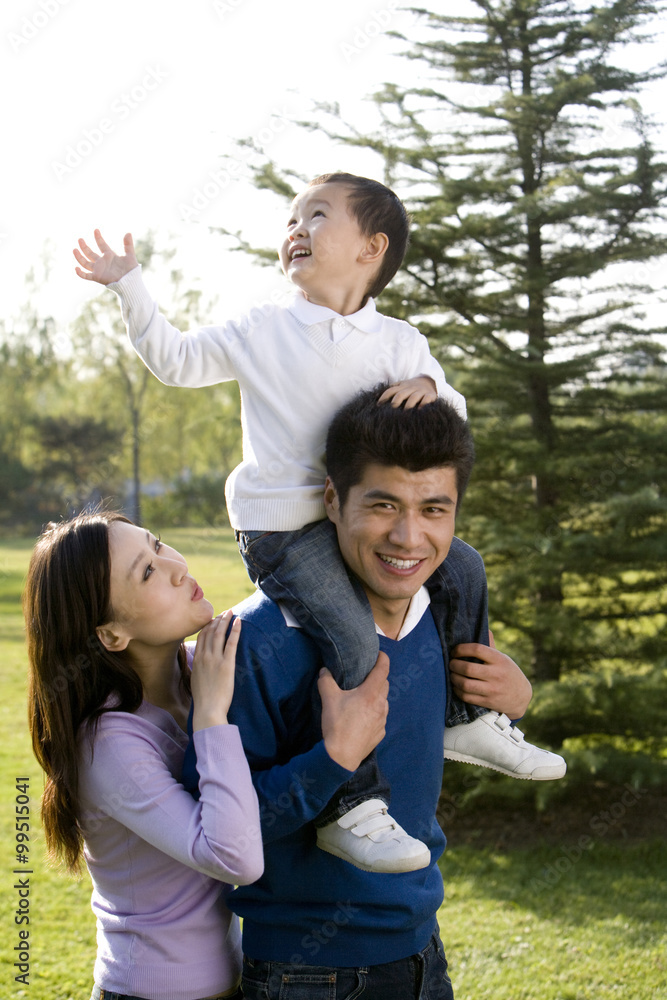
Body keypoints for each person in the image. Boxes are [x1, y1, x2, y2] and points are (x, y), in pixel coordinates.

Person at [73, 171, 564, 875]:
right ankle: (349, 807)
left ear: (371, 248)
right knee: (350, 636)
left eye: (317, 216)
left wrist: (430, 387)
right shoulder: (262, 329)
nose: (295, 230)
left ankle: (469, 718)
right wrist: (130, 287)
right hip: (285, 527)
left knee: (464, 566)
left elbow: (449, 418)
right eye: (292, 219)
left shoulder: (399, 343)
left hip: (352, 523)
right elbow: (175, 361)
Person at [183, 386, 544, 999]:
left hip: (424, 952)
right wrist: (332, 761)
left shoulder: (440, 613)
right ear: (332, 498)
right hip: (305, 975)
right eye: (383, 505)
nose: (408, 537)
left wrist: (510, 698)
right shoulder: (259, 640)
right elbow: (221, 832)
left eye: (434, 509)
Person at [24, 512, 264, 1000]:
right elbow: (233, 858)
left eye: (158, 544)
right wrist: (212, 715)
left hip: (236, 981)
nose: (176, 566)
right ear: (111, 635)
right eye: (148, 571)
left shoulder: (201, 669)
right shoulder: (107, 742)